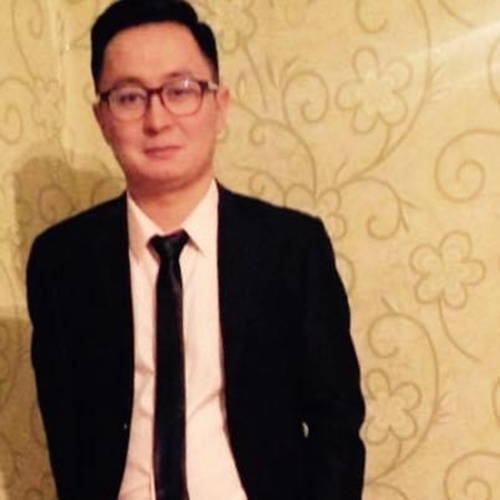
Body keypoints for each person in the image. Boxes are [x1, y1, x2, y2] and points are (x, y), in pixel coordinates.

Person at [27, 1, 365, 499]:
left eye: (181, 89)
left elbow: (337, 422)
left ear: (219, 104)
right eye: (129, 97)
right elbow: (67, 432)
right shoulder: (62, 262)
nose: (157, 118)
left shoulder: (292, 248)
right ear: (102, 118)